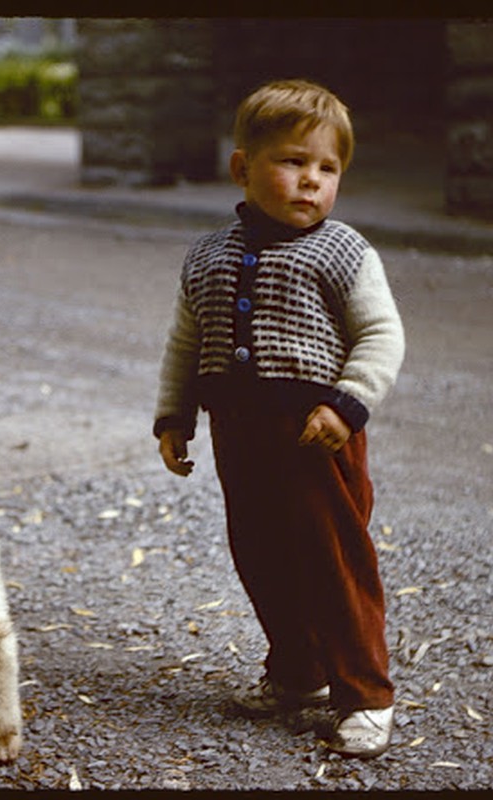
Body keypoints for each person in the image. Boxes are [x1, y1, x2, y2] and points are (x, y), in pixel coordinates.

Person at [153, 78, 405, 758]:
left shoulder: (342, 251)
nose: (310, 182)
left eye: (327, 170)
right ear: (242, 168)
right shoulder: (205, 254)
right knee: (260, 555)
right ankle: (298, 675)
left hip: (314, 434)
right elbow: (185, 341)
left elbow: (382, 336)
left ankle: (366, 692)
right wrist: (173, 416)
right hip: (240, 433)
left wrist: (345, 403)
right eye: (293, 162)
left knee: (332, 561)